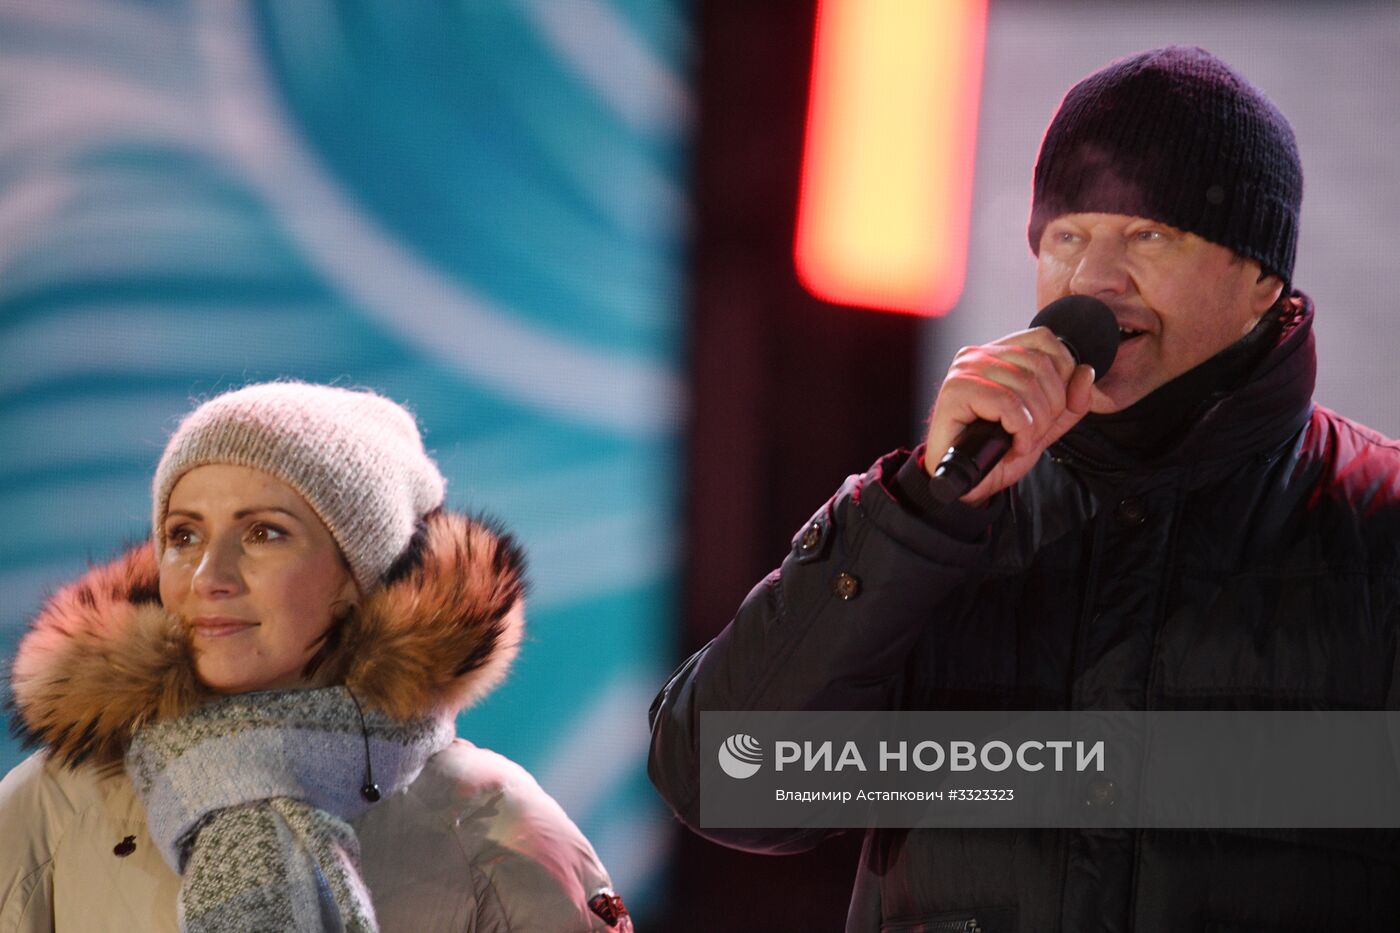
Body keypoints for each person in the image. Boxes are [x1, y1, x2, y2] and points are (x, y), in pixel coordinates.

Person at [648, 46, 1400, 931]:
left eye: (1149, 235)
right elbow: (732, 781)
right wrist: (915, 518)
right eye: (1067, 237)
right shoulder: (938, 509)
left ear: (1264, 275)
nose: (1094, 279)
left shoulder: (1375, 519)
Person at [0, 381, 633, 932]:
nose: (207, 577)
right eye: (183, 535)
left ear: (361, 575)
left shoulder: (496, 827)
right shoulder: (53, 808)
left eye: (264, 533)